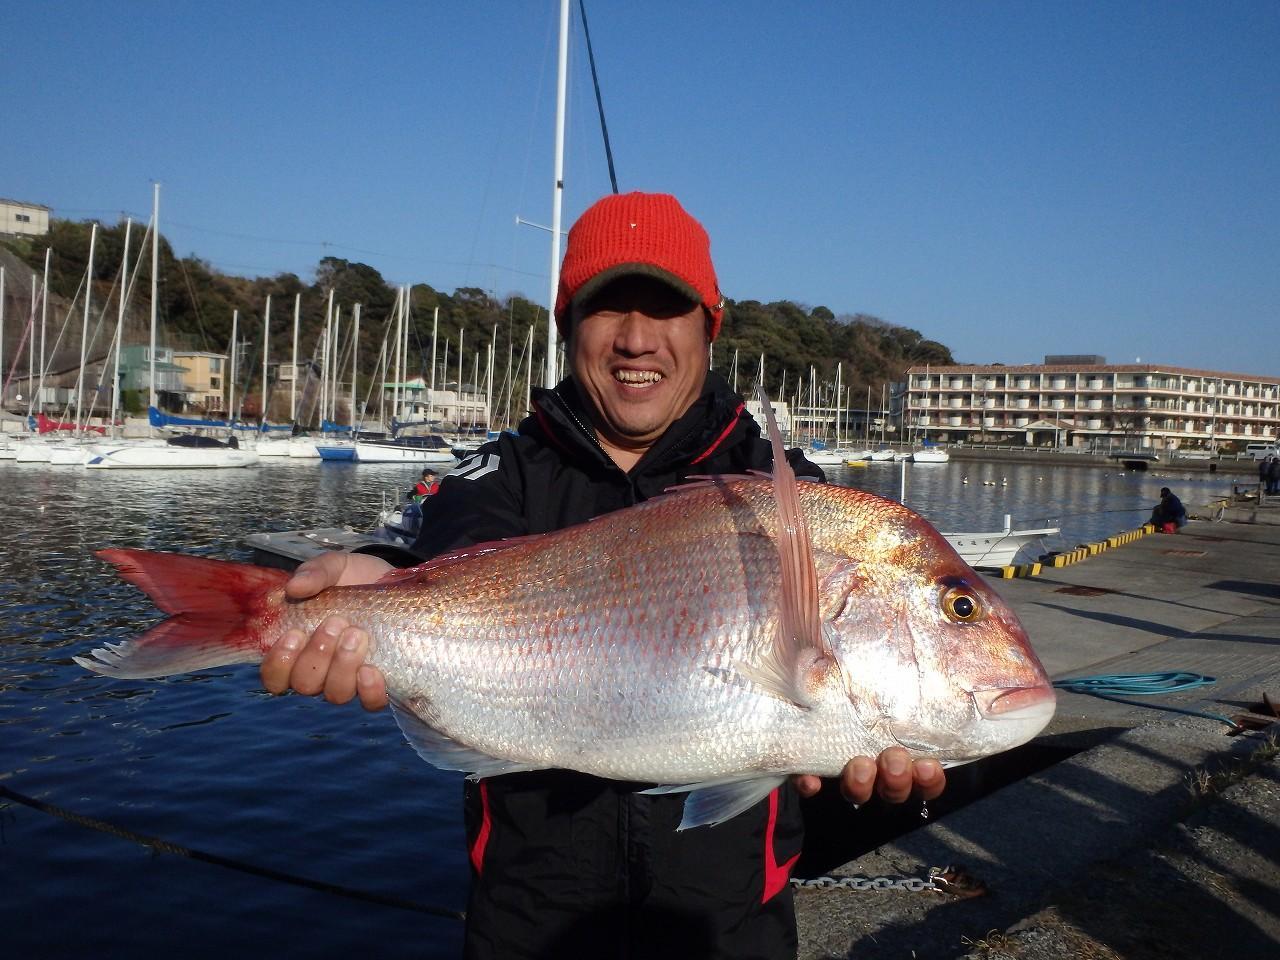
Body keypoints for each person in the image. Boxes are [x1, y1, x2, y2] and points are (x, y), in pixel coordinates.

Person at [260, 192, 945, 959]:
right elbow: (436, 564)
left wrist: (870, 765)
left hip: (725, 928)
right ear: (569, 327)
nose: (636, 339)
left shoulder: (781, 489)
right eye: (606, 307)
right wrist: (370, 586)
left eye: (666, 307)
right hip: (528, 923)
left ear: (707, 326)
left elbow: (816, 734)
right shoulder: (500, 474)